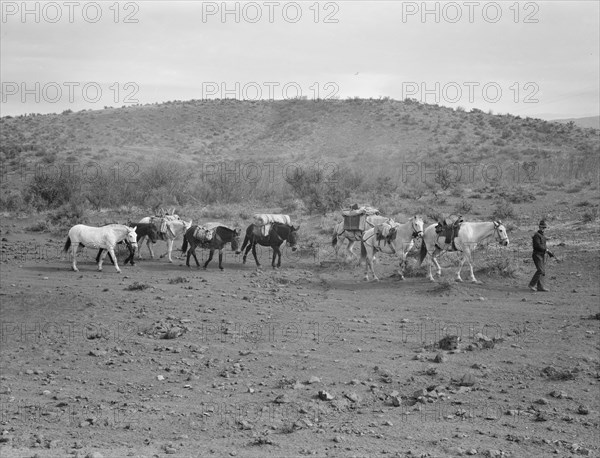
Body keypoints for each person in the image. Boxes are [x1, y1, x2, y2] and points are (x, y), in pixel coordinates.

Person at [528, 220, 555, 292]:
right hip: (537, 255)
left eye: (544, 228)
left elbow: (543, 246)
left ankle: (540, 287)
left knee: (542, 271)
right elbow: (538, 246)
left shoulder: (542, 236)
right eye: (542, 227)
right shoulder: (536, 235)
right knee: (540, 270)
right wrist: (547, 251)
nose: (543, 229)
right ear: (539, 227)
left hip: (541, 255)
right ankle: (531, 285)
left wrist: (548, 251)